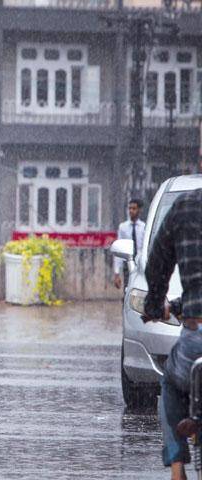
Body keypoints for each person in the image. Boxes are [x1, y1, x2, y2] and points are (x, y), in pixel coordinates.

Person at [143, 188, 202, 480]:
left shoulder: (185, 205)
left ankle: (177, 468)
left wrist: (155, 305)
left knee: (170, 384)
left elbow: (158, 263)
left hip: (195, 334)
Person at [113, 199, 146, 290]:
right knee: (128, 289)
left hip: (141, 264)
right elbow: (119, 249)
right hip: (128, 263)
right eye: (130, 208)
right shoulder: (123, 227)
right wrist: (116, 273)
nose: (131, 211)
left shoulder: (144, 227)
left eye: (134, 208)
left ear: (139, 210)